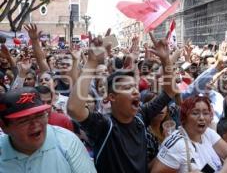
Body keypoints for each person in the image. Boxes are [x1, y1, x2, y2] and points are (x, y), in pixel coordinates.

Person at [67, 33, 176, 173]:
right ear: (111, 97)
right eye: (127, 88)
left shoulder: (141, 117)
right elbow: (73, 109)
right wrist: (92, 62)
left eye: (135, 87)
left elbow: (170, 91)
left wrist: (166, 59)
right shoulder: (104, 126)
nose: (136, 92)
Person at [0, 87, 96, 173]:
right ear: (4, 126)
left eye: (40, 115)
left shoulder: (67, 141)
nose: (35, 124)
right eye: (24, 120)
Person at [152, 95, 227, 173]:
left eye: (205, 113)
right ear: (184, 118)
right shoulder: (177, 144)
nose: (202, 118)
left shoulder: (208, 132)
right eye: (195, 113)